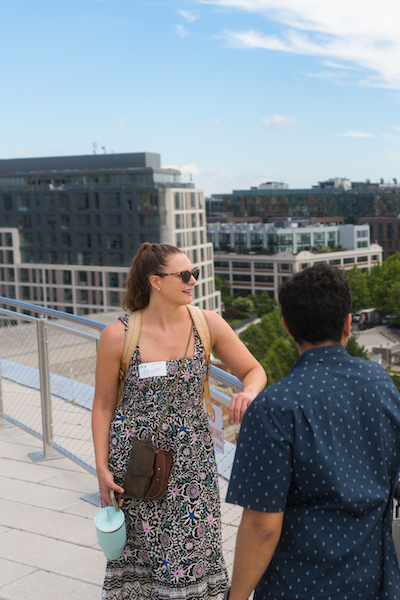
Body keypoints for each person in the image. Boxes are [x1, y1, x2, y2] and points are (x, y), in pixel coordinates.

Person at [92, 243, 266, 600]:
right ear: (155, 281)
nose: (193, 281)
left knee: (191, 550)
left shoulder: (207, 324)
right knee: (140, 553)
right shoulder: (118, 335)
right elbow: (103, 406)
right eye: (184, 275)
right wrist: (101, 468)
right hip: (137, 467)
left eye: (195, 274)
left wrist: (247, 392)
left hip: (191, 467)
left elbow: (254, 370)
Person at [226, 264, 400, 600]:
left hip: (298, 585)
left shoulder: (273, 408)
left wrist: (235, 597)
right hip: (373, 579)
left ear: (286, 326)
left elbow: (261, 528)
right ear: (348, 323)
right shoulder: (381, 384)